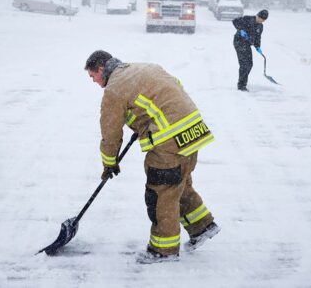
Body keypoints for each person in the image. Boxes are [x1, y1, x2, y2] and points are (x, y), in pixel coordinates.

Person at [84, 50, 219, 263]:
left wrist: (109, 162)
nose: (94, 81)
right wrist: (145, 120)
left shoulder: (114, 89)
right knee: (178, 183)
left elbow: (110, 133)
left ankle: (162, 251)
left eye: (93, 76)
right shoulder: (146, 67)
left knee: (161, 193)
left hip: (169, 140)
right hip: (194, 131)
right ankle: (202, 227)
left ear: (101, 68)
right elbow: (172, 91)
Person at [232, 9, 268, 91]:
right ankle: (241, 85)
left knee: (250, 64)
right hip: (239, 42)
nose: (261, 21)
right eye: (260, 19)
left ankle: (242, 81)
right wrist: (240, 30)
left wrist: (258, 46)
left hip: (247, 44)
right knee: (244, 64)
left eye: (263, 20)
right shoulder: (247, 19)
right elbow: (235, 21)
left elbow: (258, 37)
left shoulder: (260, 26)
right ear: (257, 15)